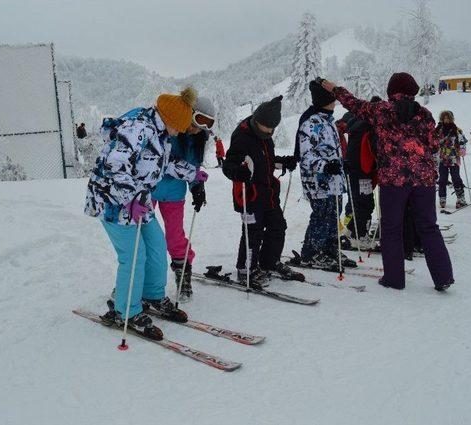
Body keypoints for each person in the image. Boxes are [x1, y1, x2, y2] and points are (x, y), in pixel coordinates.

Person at [321, 72, 454, 291]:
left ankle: (394, 278)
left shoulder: (381, 111)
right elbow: (433, 145)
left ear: (391, 91)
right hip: (424, 180)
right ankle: (443, 277)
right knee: (429, 228)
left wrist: (335, 89)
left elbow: (354, 104)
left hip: (393, 181)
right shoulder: (426, 115)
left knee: (391, 229)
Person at [84, 87, 197, 340]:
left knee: (156, 246)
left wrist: (191, 173)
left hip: (138, 202)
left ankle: (153, 295)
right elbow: (113, 167)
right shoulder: (137, 128)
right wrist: (131, 198)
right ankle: (126, 311)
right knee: (134, 255)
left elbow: (163, 164)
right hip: (112, 200)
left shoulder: (160, 135)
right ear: (170, 120)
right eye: (179, 126)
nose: (180, 132)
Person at [222, 95, 301, 286]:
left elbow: (266, 160)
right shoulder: (242, 136)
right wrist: (236, 171)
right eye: (267, 127)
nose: (270, 131)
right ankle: (245, 269)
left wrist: (284, 161)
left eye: (273, 128)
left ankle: (269, 262)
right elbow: (228, 164)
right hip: (249, 194)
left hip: (269, 192)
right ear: (257, 121)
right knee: (252, 232)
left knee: (277, 226)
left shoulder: (265, 136)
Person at [151, 96, 216, 302]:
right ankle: (137, 281)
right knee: (142, 236)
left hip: (174, 194)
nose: (200, 127)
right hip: (149, 189)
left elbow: (193, 168)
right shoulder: (170, 127)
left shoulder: (198, 139)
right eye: (199, 120)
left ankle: (183, 276)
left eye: (207, 124)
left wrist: (197, 187)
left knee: (175, 237)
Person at [293, 80, 356, 270]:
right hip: (318, 181)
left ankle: (330, 248)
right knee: (321, 216)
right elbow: (305, 157)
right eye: (333, 99)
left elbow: (331, 151)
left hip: (334, 181)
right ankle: (311, 253)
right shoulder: (311, 124)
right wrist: (326, 166)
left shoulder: (329, 122)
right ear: (324, 100)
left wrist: (341, 163)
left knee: (334, 214)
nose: (335, 102)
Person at [341, 96, 382, 250]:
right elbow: (374, 150)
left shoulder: (358, 123)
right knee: (364, 204)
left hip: (356, 170)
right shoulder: (368, 126)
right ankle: (359, 236)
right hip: (362, 171)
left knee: (360, 203)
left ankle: (352, 231)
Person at [435, 110, 468, 209]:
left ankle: (461, 198)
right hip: (442, 158)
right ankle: (442, 197)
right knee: (442, 179)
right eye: (444, 118)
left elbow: (463, 142)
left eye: (448, 118)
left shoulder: (457, 130)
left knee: (456, 178)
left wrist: (462, 150)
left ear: (451, 119)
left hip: (454, 158)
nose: (446, 120)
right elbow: (434, 142)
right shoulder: (438, 130)